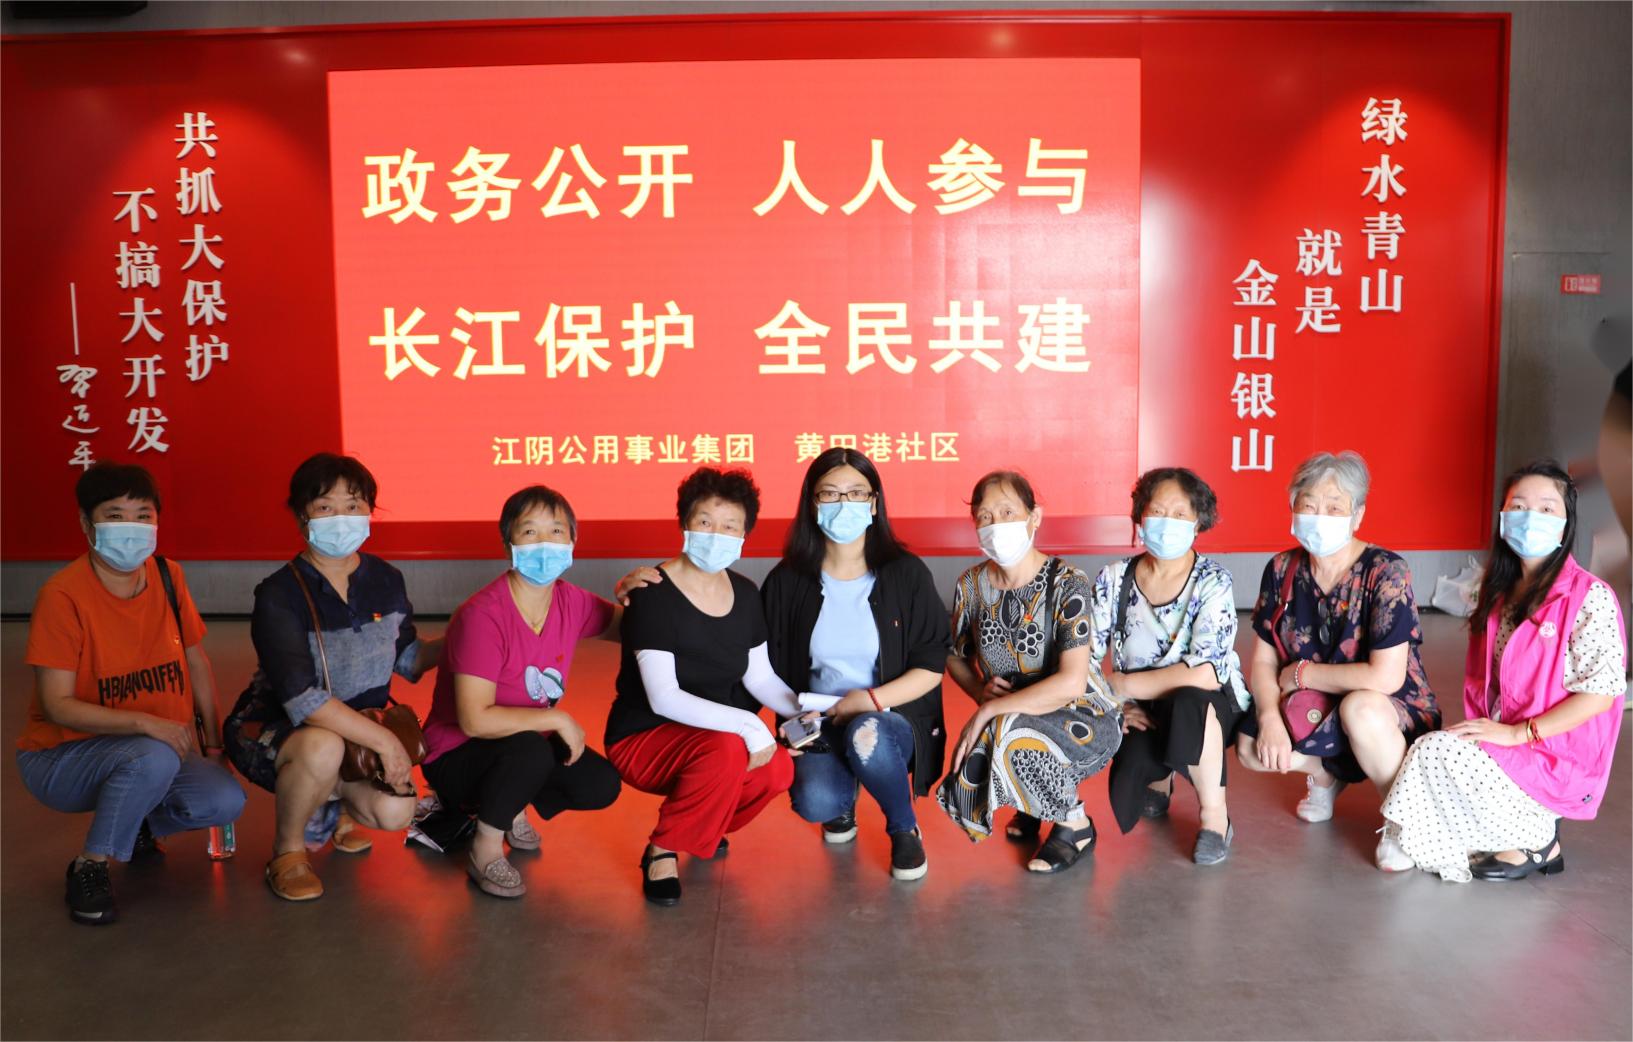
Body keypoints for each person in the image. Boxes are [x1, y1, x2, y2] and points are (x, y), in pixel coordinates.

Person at [18, 463, 244, 925]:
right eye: (115, 515)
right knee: (152, 756)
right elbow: (57, 705)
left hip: (153, 750)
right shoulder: (63, 595)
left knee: (223, 799)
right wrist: (146, 723)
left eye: (143, 515)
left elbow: (197, 663)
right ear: (87, 524)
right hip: (62, 758)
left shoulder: (167, 576)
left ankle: (134, 819)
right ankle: (90, 865)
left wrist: (214, 746)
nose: (131, 527)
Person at [1381, 460, 1626, 881]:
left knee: (1432, 751)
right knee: (1433, 748)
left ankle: (1537, 839)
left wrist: (1517, 735)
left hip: (1554, 757)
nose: (1531, 517)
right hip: (1511, 748)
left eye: (1547, 508)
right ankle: (1486, 832)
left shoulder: (1590, 596)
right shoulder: (1498, 596)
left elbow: (1599, 696)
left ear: (1565, 525)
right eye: (1519, 506)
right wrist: (1493, 736)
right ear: (1502, 516)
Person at [224, 453, 442, 901]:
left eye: (353, 505)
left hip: (359, 730)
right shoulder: (280, 593)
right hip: (280, 730)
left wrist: (466, 631)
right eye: (325, 506)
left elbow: (408, 659)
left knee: (395, 812)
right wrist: (386, 744)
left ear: (370, 511)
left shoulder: (386, 578)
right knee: (324, 746)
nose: (341, 517)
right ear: (300, 515)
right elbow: (302, 701)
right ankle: (288, 852)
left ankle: (334, 804)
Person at [605, 467, 802, 905]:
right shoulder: (652, 592)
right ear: (685, 524)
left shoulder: (746, 593)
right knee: (729, 747)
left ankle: (702, 823)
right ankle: (663, 849)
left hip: (713, 736)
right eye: (705, 522)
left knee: (778, 770)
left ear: (744, 534)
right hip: (645, 735)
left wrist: (800, 710)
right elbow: (663, 697)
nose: (717, 535)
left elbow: (759, 676)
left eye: (730, 525)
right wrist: (750, 726)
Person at [1235, 450, 1440, 870]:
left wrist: (1305, 674)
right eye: (1308, 505)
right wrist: (1270, 718)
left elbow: (1386, 677)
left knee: (1359, 709)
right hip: (1313, 702)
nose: (1319, 517)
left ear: (1357, 515)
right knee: (1250, 747)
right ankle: (1326, 774)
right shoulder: (1281, 569)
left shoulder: (1385, 571)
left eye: (1334, 507)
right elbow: (1264, 661)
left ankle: (1405, 819)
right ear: (1292, 508)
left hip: (1385, 704)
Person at [419, 486, 623, 898]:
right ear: (508, 542)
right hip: (457, 753)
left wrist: (646, 590)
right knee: (531, 750)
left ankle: (509, 804)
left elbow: (631, 626)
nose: (545, 542)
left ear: (573, 540)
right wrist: (557, 717)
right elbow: (474, 720)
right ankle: (485, 847)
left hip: (519, 745)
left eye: (556, 531)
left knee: (598, 783)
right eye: (530, 531)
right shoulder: (482, 615)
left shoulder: (571, 601)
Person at [761, 449, 949, 880]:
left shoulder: (905, 574)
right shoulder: (787, 580)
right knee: (816, 802)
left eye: (856, 493)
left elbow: (931, 664)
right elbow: (760, 662)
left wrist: (869, 701)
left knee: (868, 734)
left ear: (874, 503)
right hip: (817, 720)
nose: (843, 503)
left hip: (889, 717)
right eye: (830, 493)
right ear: (812, 504)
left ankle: (903, 827)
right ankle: (841, 804)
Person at [937, 470, 1122, 874]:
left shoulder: (1067, 582)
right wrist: (981, 693)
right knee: (1003, 729)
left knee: (1005, 732)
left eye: (1007, 512)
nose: (996, 525)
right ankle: (1032, 802)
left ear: (1034, 517)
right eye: (985, 517)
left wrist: (989, 711)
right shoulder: (971, 585)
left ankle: (1074, 824)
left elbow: (1072, 682)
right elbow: (953, 655)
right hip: (1015, 711)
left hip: (1082, 714)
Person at [1092, 467, 1250, 865]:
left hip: (1207, 702)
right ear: (1140, 517)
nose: (1167, 522)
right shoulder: (1114, 578)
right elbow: (1085, 656)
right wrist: (1116, 704)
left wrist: (1123, 686)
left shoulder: (1213, 580)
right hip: (1140, 703)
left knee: (1188, 704)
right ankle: (1160, 779)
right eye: (1158, 511)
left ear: (1198, 523)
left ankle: (1215, 818)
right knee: (1131, 757)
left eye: (1180, 514)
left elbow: (1207, 673)